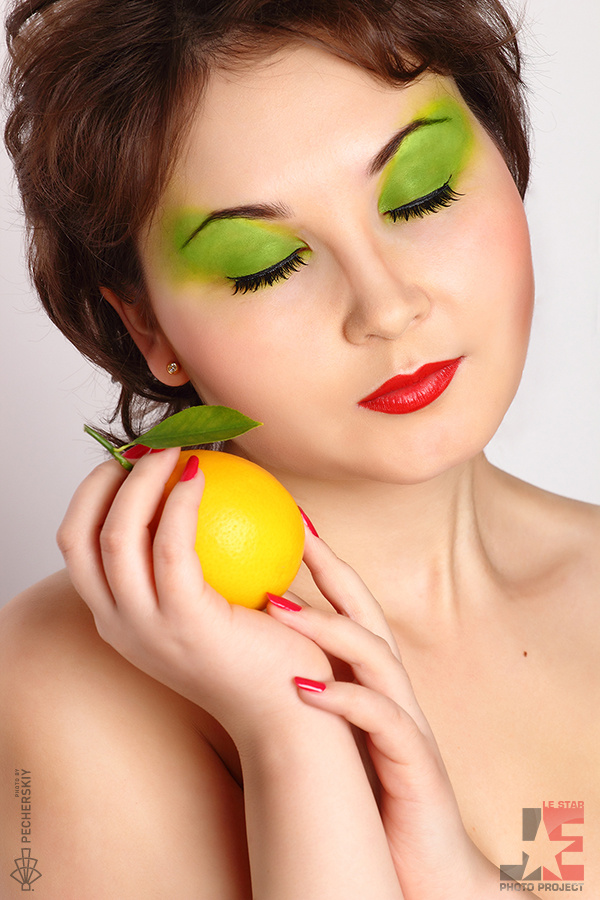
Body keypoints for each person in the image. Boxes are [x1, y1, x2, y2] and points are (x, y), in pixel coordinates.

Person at [0, 0, 597, 896]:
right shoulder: (58, 677)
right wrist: (293, 736)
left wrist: (462, 878)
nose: (385, 306)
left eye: (422, 193)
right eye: (264, 264)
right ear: (148, 326)